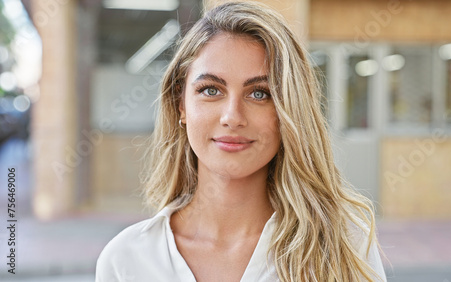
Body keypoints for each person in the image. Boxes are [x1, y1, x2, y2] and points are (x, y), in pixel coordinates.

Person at [96, 1, 387, 281]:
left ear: (289, 110)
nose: (232, 117)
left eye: (259, 93)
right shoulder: (127, 260)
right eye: (211, 90)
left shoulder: (344, 245)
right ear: (180, 105)